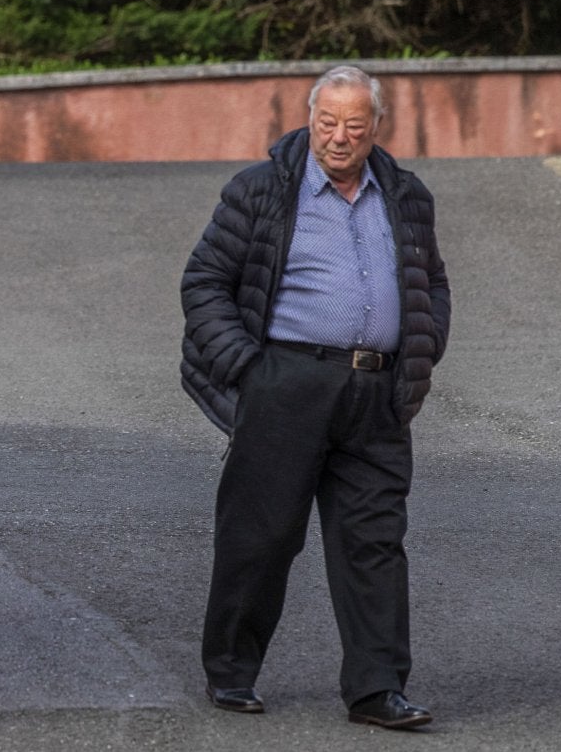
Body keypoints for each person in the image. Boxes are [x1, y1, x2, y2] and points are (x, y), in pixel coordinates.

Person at [180, 65, 451, 730]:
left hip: (376, 392)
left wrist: (419, 348)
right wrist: (248, 369)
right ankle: (232, 672)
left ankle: (376, 687)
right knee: (261, 534)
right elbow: (205, 281)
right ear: (310, 118)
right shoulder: (261, 189)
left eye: (354, 125)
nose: (339, 136)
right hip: (286, 380)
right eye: (327, 122)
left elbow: (431, 285)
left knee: (375, 541)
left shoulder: (407, 195)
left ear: (375, 128)